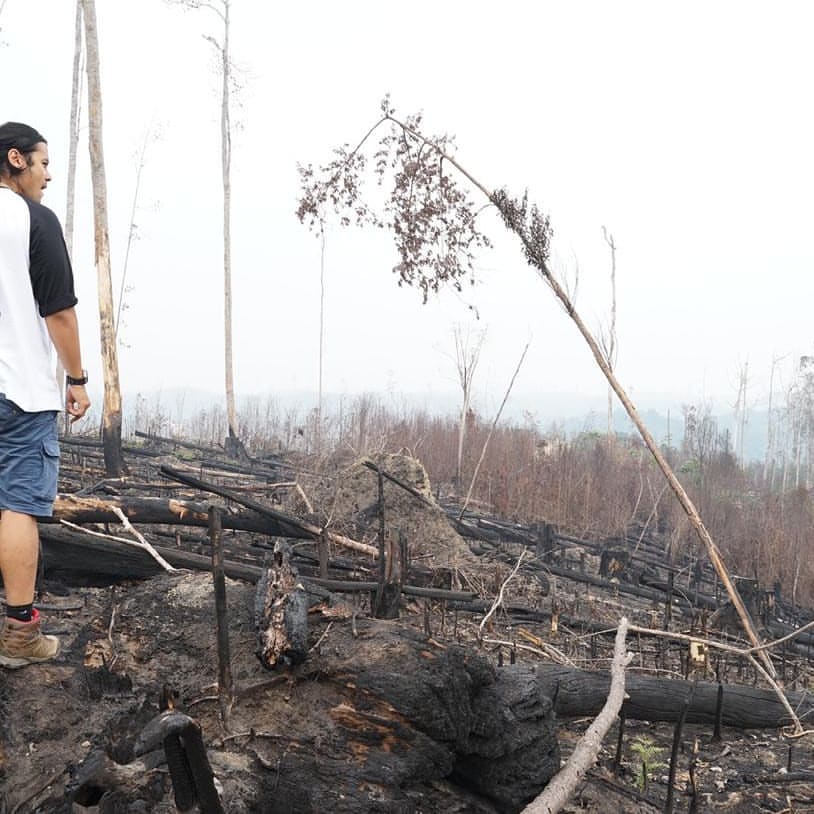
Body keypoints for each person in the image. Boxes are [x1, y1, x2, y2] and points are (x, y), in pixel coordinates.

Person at [0, 122, 90, 668]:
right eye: (42, 162)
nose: (48, 174)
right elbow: (58, 311)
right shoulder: (33, 220)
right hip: (20, 391)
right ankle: (20, 634)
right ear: (16, 160)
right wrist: (76, 379)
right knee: (16, 506)